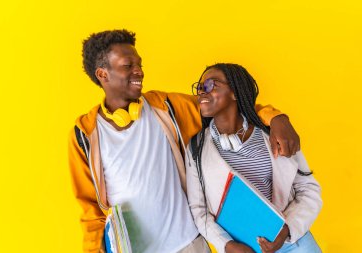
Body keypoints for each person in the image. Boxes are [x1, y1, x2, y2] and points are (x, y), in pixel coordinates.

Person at [68, 30, 301, 253]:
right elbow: (91, 209)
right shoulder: (84, 135)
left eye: (139, 64)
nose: (139, 71)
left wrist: (276, 117)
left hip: (190, 243)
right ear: (103, 74)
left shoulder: (165, 107)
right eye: (128, 66)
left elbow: (228, 107)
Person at [186, 63, 322, 253]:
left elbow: (309, 189)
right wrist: (227, 245)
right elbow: (199, 210)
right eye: (199, 88)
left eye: (210, 85)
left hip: (294, 243)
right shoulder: (196, 148)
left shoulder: (273, 133)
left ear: (235, 92)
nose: (201, 92)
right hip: (242, 249)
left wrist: (286, 231)